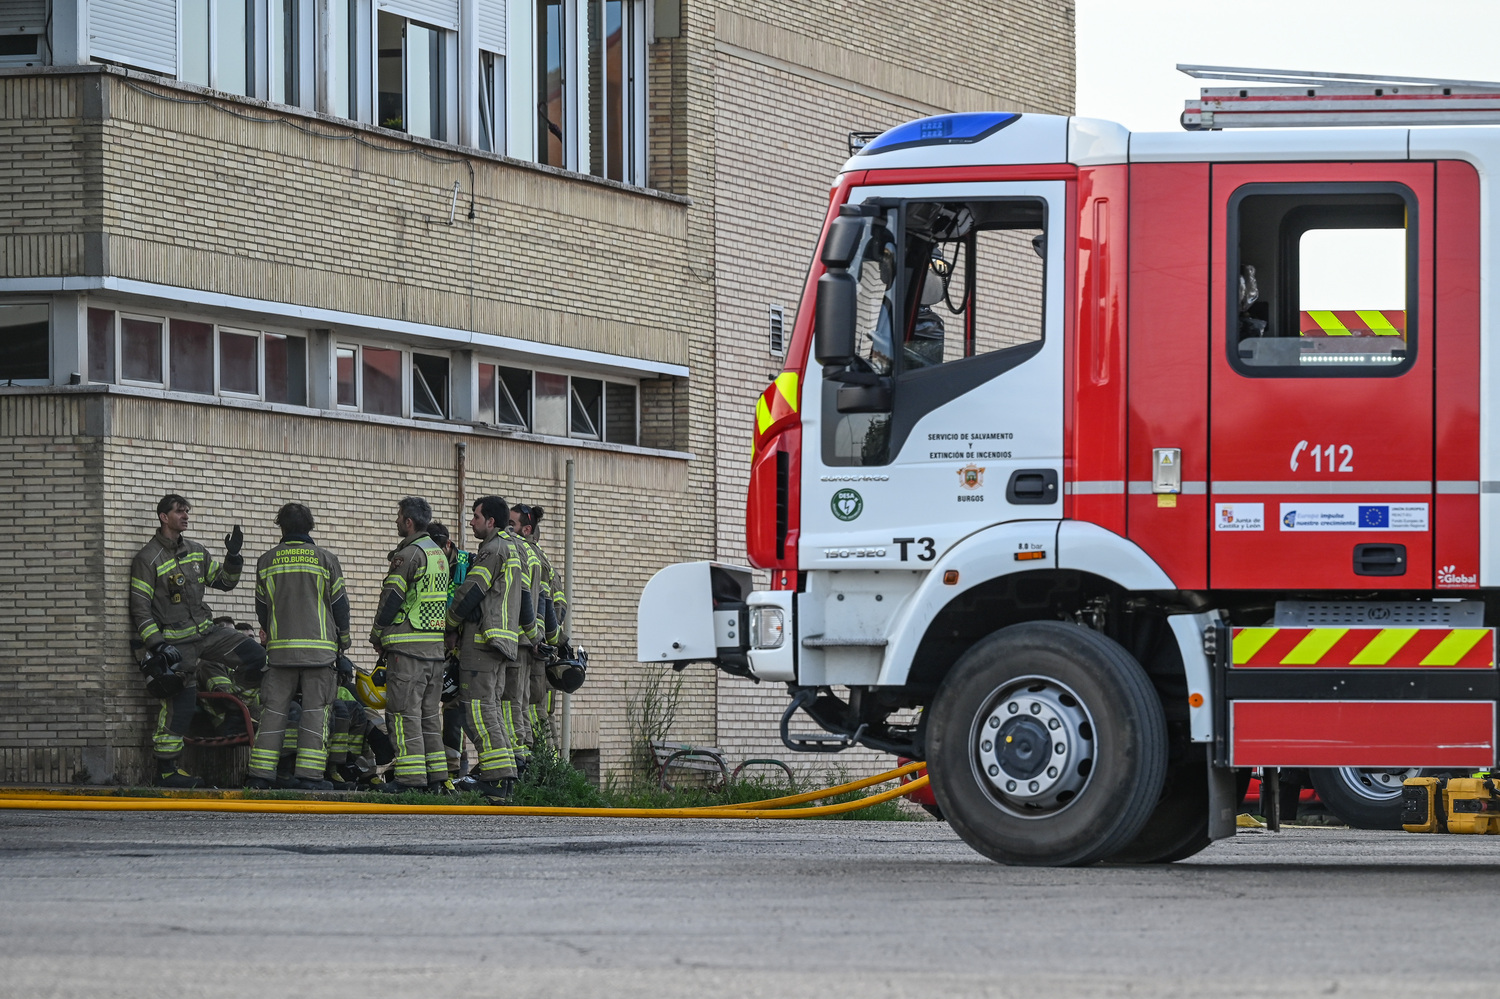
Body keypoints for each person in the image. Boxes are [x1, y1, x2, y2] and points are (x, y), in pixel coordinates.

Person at [129, 494, 266, 788]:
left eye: (187, 512)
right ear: (164, 517)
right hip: (176, 645)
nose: (186, 516)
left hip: (208, 633)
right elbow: (139, 608)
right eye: (180, 512)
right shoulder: (147, 558)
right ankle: (167, 771)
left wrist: (233, 557)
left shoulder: (195, 551)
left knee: (258, 658)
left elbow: (225, 582)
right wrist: (157, 645)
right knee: (180, 706)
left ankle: (232, 706)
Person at [245, 503, 352, 791]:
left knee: (273, 714)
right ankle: (309, 777)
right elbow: (340, 606)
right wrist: (343, 642)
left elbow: (262, 608)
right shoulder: (326, 560)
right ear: (310, 526)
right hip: (319, 654)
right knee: (316, 713)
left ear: (281, 526)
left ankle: (260, 776)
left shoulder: (266, 561)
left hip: (279, 654)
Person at [446, 495, 528, 799]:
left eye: (476, 517)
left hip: (482, 641)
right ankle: (503, 778)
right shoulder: (514, 548)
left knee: (477, 709)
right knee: (490, 709)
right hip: (502, 642)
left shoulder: (492, 550)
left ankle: (495, 777)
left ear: (490, 521)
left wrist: (449, 623)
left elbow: (472, 591)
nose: (471, 522)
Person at [369, 496, 451, 793]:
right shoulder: (438, 554)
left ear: (408, 521)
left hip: (408, 649)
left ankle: (410, 780)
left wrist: (377, 633)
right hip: (433, 652)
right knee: (429, 716)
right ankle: (437, 778)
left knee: (404, 714)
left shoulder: (410, 554)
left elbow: (392, 598)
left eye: (398, 516)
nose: (396, 521)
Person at [510, 503, 568, 747]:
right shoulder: (545, 562)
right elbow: (560, 607)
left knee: (527, 707)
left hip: (531, 645)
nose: (506, 529)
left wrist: (538, 637)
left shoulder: (526, 558)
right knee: (539, 710)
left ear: (526, 530)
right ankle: (548, 769)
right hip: (540, 645)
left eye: (511, 524)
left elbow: (544, 604)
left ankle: (537, 767)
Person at [429, 521, 472, 777]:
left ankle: (454, 767)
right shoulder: (427, 559)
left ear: (448, 544)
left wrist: (455, 630)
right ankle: (453, 763)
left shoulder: (467, 563)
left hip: (462, 643)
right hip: (437, 643)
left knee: (456, 706)